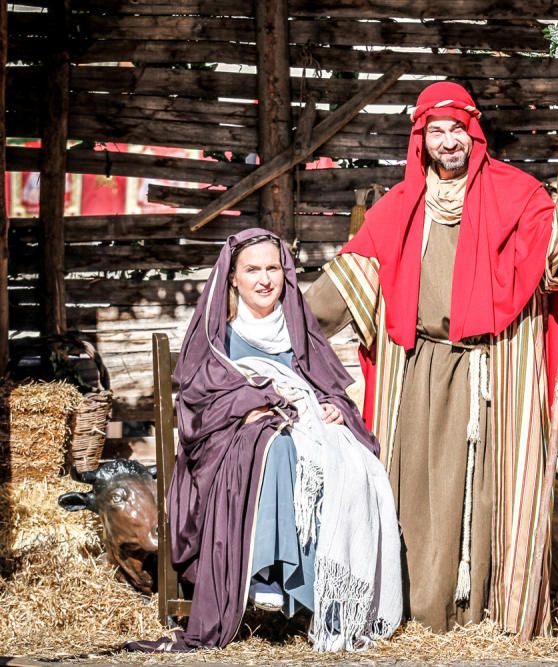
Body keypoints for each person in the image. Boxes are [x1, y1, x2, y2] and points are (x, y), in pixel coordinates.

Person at [305, 81, 558, 636]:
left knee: (493, 490)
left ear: (473, 133)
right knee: (415, 488)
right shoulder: (398, 209)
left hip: (496, 371)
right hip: (420, 370)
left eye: (456, 130)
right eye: (435, 131)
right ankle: (416, 606)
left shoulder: (518, 195)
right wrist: (276, 322)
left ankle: (490, 609)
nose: (447, 141)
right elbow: (348, 283)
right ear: (421, 140)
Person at [127, 228, 401, 652]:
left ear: (285, 275)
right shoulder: (218, 341)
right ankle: (267, 573)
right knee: (273, 444)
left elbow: (328, 389)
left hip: (304, 435)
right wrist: (248, 406)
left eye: (273, 268)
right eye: (252, 269)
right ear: (232, 277)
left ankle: (320, 588)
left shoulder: (300, 337)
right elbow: (198, 409)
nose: (264, 279)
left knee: (350, 459)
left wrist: (330, 407)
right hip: (227, 454)